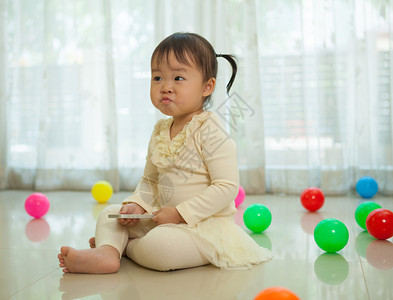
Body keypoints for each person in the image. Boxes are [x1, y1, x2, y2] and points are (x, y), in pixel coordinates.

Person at [58, 32, 272, 273]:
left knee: (163, 248)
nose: (165, 87)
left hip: (202, 228)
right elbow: (150, 180)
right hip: (164, 218)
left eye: (178, 78)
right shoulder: (160, 130)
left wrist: (180, 213)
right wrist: (137, 205)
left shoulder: (211, 130)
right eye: (157, 77)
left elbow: (226, 187)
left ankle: (123, 247)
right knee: (111, 213)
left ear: (207, 86)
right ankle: (108, 253)